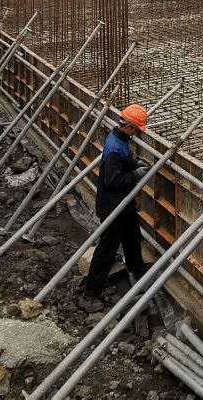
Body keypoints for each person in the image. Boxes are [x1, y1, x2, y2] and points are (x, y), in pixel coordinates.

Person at [77, 104, 149, 312]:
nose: (136, 134)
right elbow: (112, 180)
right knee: (106, 250)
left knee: (132, 236)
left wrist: (134, 163)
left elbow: (125, 161)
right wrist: (135, 175)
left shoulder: (120, 140)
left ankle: (137, 269)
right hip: (113, 206)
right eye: (136, 130)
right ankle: (90, 293)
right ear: (129, 126)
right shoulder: (115, 149)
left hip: (123, 203)